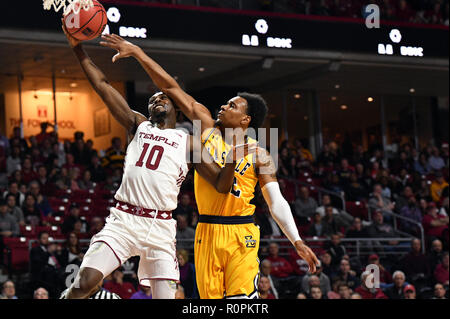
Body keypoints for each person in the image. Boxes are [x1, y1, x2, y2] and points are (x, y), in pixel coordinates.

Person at [101, 34, 319, 299]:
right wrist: (137, 52)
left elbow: (277, 202)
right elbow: (169, 87)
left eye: (231, 105)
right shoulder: (205, 126)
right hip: (207, 230)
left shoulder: (259, 154)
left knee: (242, 302)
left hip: (242, 232)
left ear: (245, 119)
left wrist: (296, 240)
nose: (223, 106)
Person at [62, 27, 252, 300]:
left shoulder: (189, 142)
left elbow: (222, 185)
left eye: (162, 97)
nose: (157, 100)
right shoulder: (137, 125)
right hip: (124, 220)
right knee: (85, 282)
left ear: (174, 107)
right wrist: (77, 48)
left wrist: (233, 158)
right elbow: (102, 86)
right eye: (152, 100)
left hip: (160, 227)